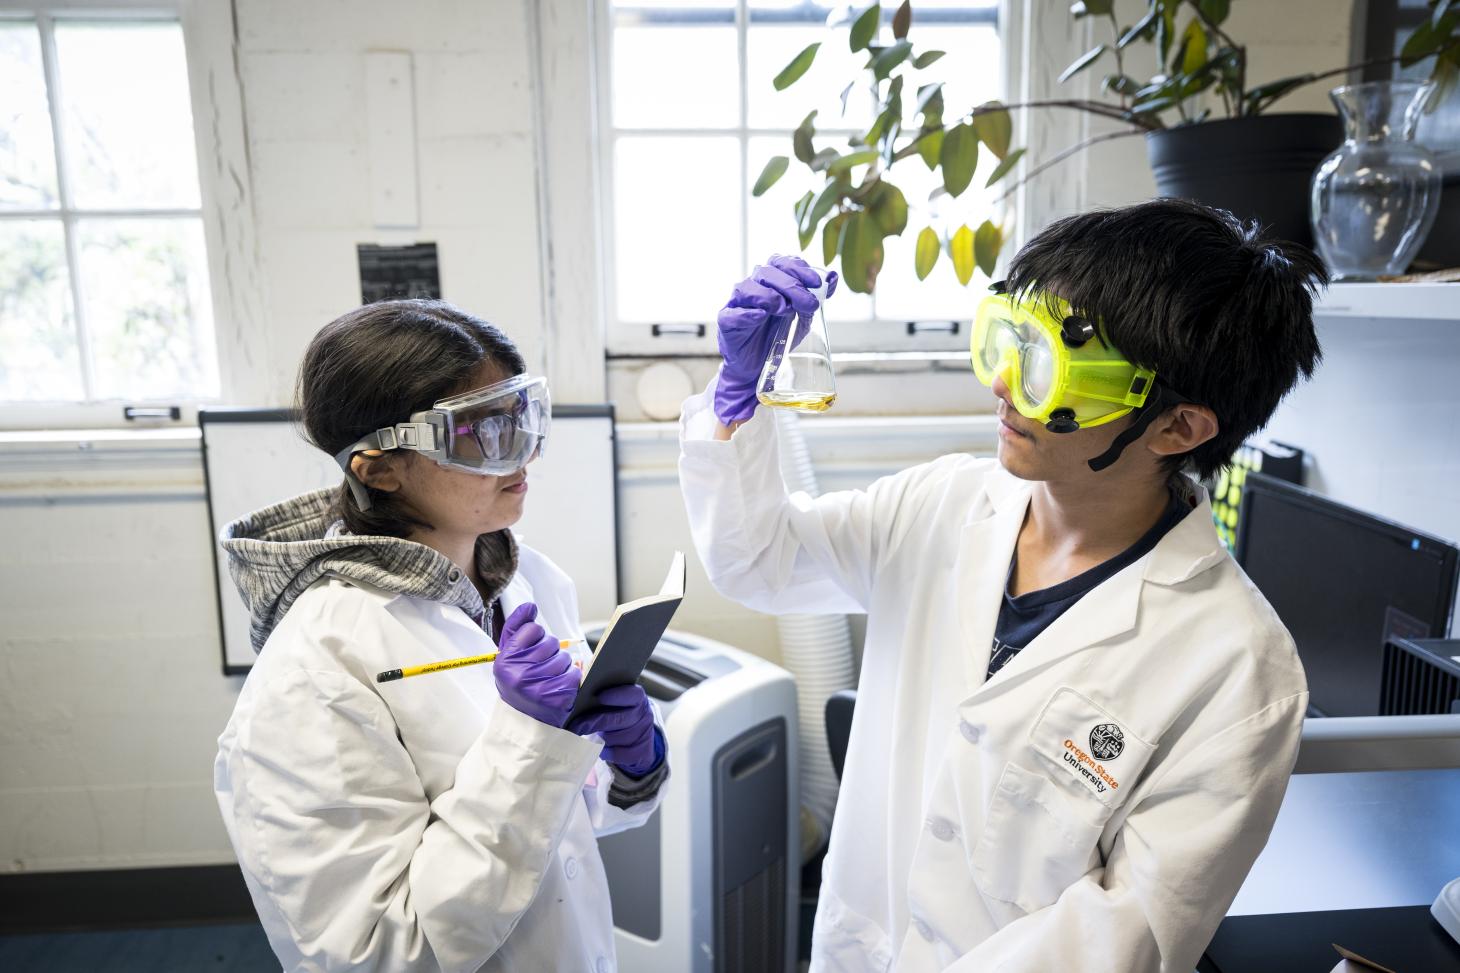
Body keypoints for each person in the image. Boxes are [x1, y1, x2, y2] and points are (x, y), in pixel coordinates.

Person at [679, 198, 1325, 972]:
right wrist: (737, 396)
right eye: (1008, 338)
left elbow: (1128, 934)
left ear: (1177, 428)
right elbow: (762, 559)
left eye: (1050, 363)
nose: (1005, 384)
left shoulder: (1240, 669)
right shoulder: (941, 503)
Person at [214, 300, 667, 972]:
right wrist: (531, 743)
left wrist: (630, 769)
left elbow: (561, 822)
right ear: (379, 468)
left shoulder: (529, 580)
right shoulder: (315, 667)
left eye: (522, 415)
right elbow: (377, 951)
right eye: (483, 431)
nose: (523, 453)